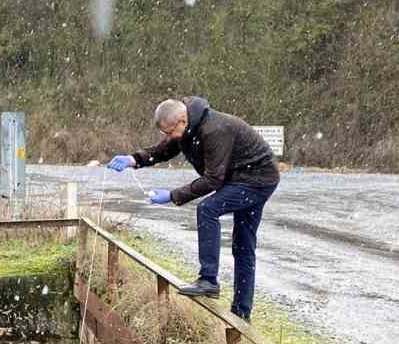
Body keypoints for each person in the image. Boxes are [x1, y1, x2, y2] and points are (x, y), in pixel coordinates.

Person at [106, 96, 279, 321]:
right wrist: (133, 159)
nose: (169, 137)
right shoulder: (187, 128)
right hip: (239, 178)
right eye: (165, 133)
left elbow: (213, 179)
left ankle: (209, 280)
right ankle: (241, 312)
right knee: (243, 245)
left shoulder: (214, 129)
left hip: (258, 179)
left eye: (170, 132)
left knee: (208, 209)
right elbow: (163, 150)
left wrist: (172, 195)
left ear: (182, 121)